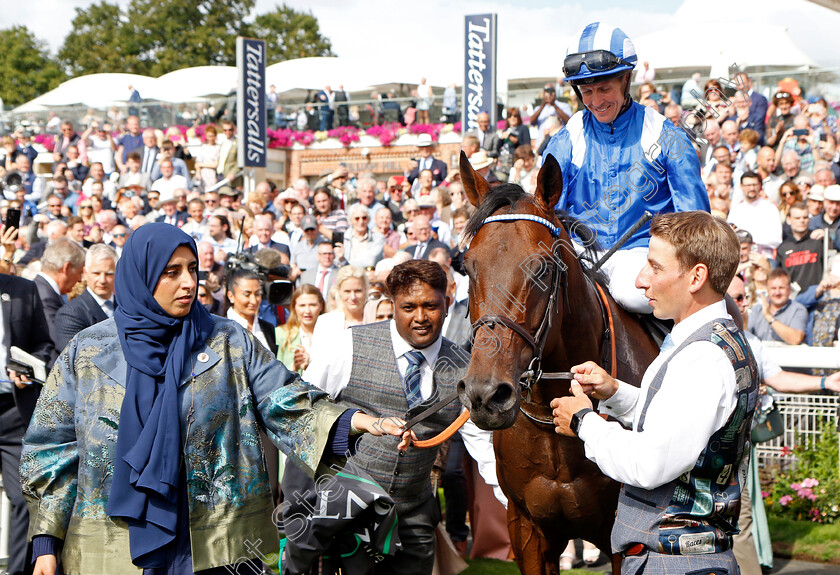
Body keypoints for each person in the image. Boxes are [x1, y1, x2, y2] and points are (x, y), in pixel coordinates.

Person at [23, 223, 408, 575]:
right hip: (111, 545)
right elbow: (53, 448)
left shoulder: (228, 341)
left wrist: (357, 421)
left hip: (215, 545)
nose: (188, 283)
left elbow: (283, 396)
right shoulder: (88, 351)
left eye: (193, 269)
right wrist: (46, 542)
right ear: (141, 276)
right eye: (171, 272)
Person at [551, 211, 758, 574]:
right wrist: (613, 392)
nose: (641, 280)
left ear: (697, 277)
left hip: (676, 563)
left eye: (655, 267)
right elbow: (677, 424)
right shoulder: (705, 344)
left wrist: (584, 422)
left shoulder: (703, 358)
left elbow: (649, 464)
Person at [303, 260, 472, 574]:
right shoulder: (349, 344)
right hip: (351, 511)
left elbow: (484, 443)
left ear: (447, 305)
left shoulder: (465, 368)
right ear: (392, 306)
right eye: (409, 307)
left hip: (416, 516)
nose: (420, 317)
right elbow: (304, 406)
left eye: (430, 306)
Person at [544, 23, 709, 313]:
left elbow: (695, 218)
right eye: (587, 91)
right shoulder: (566, 138)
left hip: (643, 253)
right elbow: (547, 211)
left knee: (632, 295)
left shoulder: (665, 134)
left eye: (604, 88)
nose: (595, 101)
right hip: (581, 252)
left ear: (626, 80)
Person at [0, 270, 55, 575]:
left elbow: (44, 345)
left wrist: (26, 369)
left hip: (13, 411)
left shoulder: (23, 289)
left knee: (24, 501)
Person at [53, 244, 117, 352]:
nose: (102, 280)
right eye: (96, 273)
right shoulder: (70, 313)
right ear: (85, 273)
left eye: (109, 274)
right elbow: (75, 359)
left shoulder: (128, 307)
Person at [747, 268, 808, 345]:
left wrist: (768, 317)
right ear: (768, 290)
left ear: (789, 289)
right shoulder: (757, 309)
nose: (777, 292)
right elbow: (746, 336)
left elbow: (796, 339)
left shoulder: (798, 310)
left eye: (781, 288)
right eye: (773, 288)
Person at [275, 285, 324, 374]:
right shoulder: (280, 334)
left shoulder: (331, 335)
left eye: (312, 305)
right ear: (294, 307)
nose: (307, 311)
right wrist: (294, 367)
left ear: (321, 306)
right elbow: (274, 373)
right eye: (302, 305)